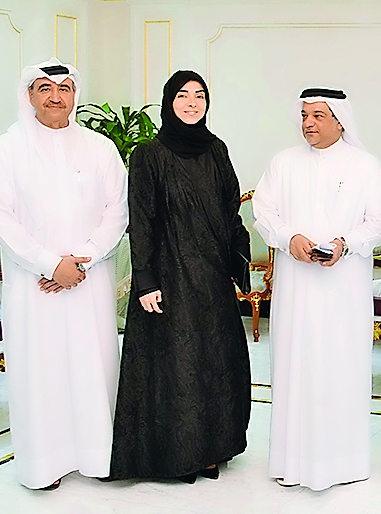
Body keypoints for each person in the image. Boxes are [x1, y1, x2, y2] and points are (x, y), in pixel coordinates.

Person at [0, 58, 128, 490]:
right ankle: (43, 466)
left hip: (88, 279)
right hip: (34, 287)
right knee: (39, 371)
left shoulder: (100, 148)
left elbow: (116, 211)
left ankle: (99, 457)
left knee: (93, 365)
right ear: (29, 96)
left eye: (64, 88)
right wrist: (49, 265)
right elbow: (0, 219)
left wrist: (79, 260)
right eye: (45, 88)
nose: (55, 96)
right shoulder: (4, 149)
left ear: (74, 96)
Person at [110, 70, 252, 484]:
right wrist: (146, 280)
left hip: (211, 277)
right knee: (176, 366)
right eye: (183, 95)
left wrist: (235, 265)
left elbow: (230, 212)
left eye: (200, 95)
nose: (192, 103)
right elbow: (143, 219)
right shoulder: (148, 154)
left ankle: (212, 448)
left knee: (215, 364)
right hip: (169, 277)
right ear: (168, 101)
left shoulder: (216, 151)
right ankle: (176, 455)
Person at [253, 88, 381, 490]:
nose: (308, 123)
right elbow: (264, 212)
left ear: (340, 120)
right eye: (305, 115)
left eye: (317, 115)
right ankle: (291, 462)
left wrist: (346, 245)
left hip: (344, 288)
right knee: (295, 365)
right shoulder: (284, 162)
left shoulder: (365, 165)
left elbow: (379, 222)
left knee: (340, 368)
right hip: (296, 288)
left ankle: (342, 463)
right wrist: (287, 236)